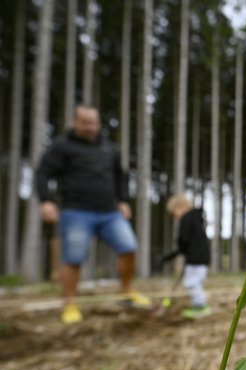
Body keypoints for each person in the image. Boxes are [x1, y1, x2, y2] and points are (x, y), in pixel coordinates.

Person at [37, 104, 151, 324]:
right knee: (73, 258)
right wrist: (46, 201)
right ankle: (70, 303)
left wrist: (124, 201)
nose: (90, 127)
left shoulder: (109, 148)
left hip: (109, 212)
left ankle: (126, 292)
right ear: (75, 122)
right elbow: (43, 173)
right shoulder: (62, 147)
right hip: (75, 211)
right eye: (85, 123)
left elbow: (121, 176)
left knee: (129, 247)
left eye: (94, 123)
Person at [159, 194, 212, 319]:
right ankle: (200, 303)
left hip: (196, 259)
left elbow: (183, 239)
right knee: (195, 282)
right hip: (202, 258)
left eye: (174, 213)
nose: (175, 217)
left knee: (191, 283)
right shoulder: (196, 219)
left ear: (180, 207)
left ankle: (201, 307)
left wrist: (180, 251)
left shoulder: (186, 219)